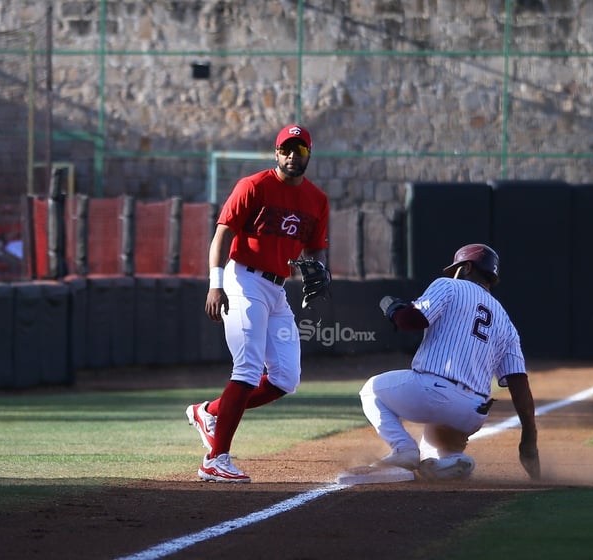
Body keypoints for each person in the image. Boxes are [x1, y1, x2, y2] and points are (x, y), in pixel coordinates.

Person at [186, 124, 330, 482]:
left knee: (285, 378)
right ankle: (215, 460)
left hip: (277, 288)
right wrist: (215, 285)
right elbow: (222, 234)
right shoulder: (253, 186)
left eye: (300, 149)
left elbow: (315, 248)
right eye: (286, 149)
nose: (292, 155)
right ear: (276, 152)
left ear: (309, 154)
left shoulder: (317, 199)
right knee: (248, 370)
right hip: (243, 279)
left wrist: (318, 271)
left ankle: (210, 413)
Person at [358, 243, 540, 481]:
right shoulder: (506, 322)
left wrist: (393, 310)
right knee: (432, 452)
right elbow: (519, 385)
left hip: (433, 392)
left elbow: (412, 321)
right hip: (472, 412)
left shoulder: (449, 286)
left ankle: (403, 448)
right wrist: (529, 436)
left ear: (466, 268)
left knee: (371, 391)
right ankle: (451, 460)